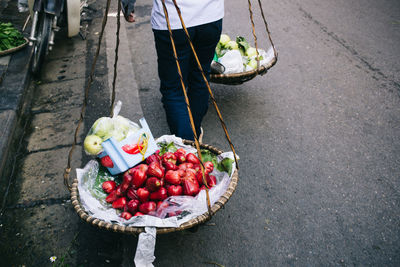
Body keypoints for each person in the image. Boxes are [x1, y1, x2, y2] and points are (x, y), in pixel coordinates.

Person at [125, 0, 224, 141]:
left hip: (173, 23)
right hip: (210, 18)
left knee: (174, 88)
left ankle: (187, 144)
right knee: (200, 76)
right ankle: (193, 134)